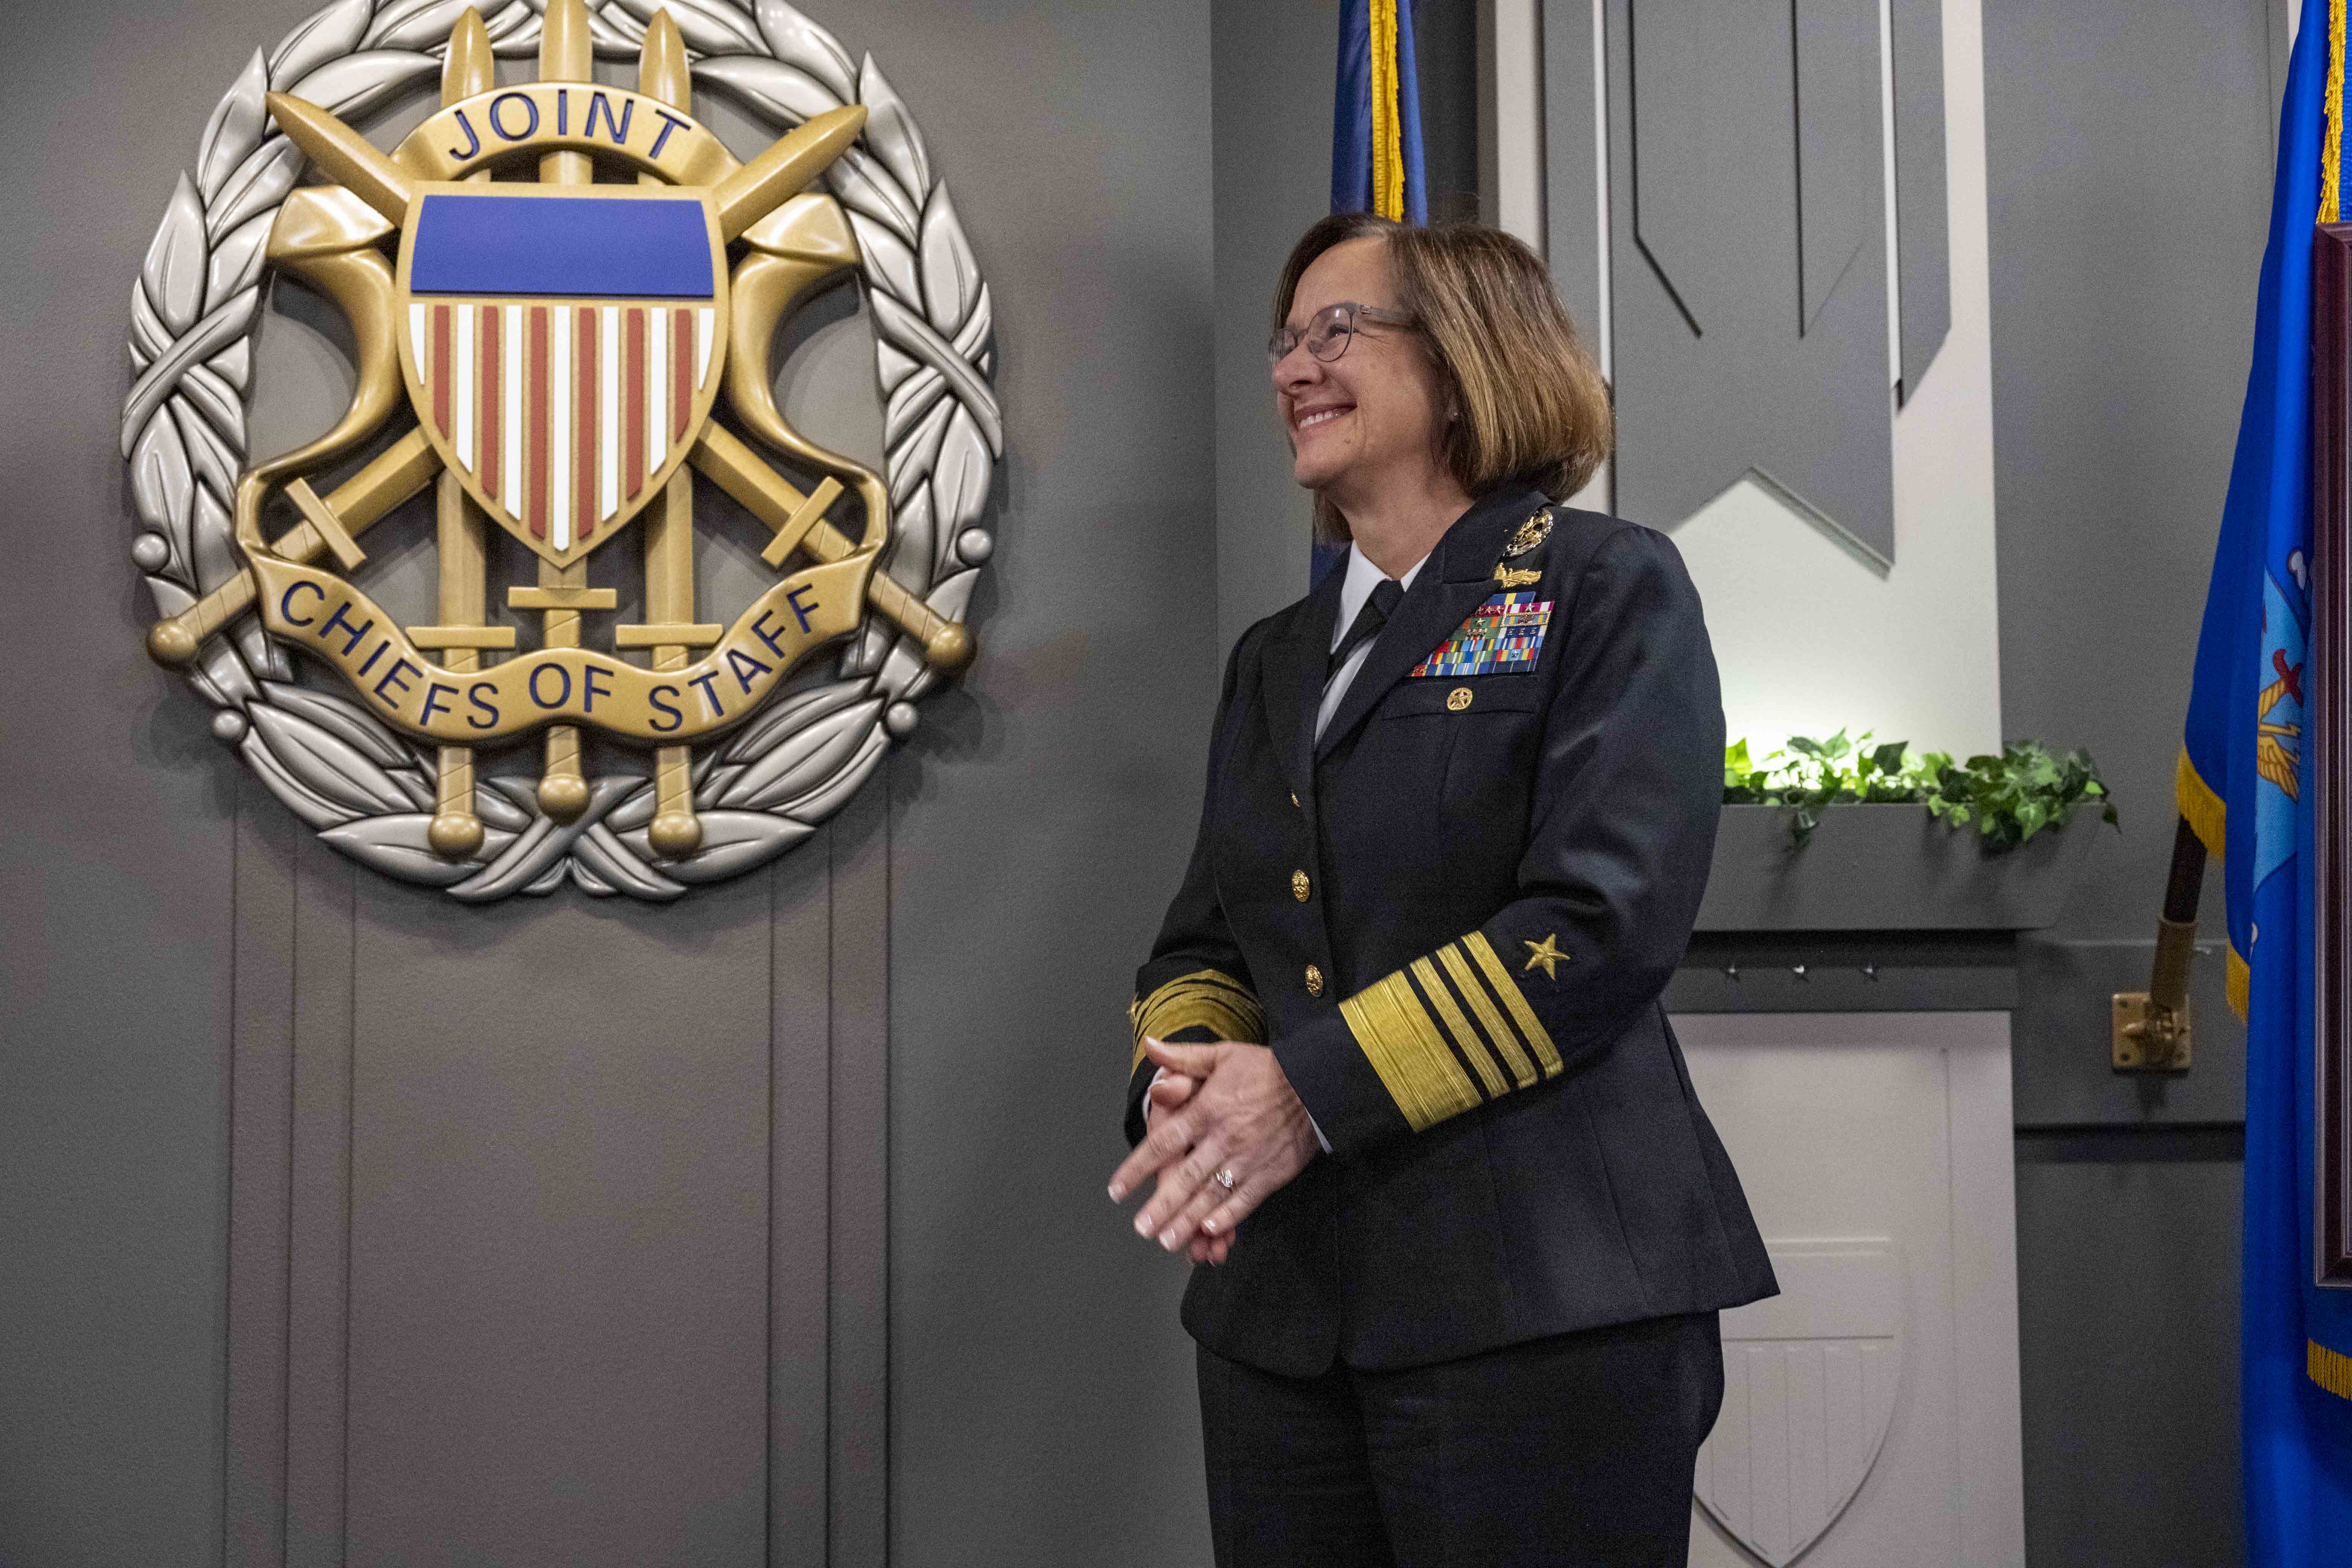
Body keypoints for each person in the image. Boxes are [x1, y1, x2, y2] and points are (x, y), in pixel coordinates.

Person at [1105, 212, 1777, 1568]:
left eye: (1335, 330)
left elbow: (1599, 922)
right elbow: (1208, 940)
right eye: (1285, 341)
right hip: (1284, 1324)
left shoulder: (1604, 587)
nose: (1295, 366)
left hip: (1544, 1301)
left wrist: (1302, 1093)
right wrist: (1196, 1086)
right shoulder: (1275, 658)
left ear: (1469, 355)